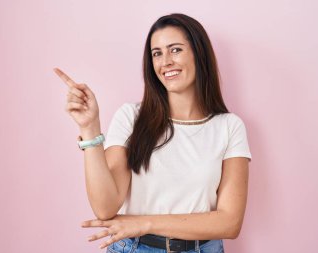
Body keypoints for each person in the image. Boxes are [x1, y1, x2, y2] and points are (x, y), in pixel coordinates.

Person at [54, 13, 252, 253]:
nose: (165, 61)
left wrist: (143, 223)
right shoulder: (131, 117)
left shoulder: (229, 127)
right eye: (157, 53)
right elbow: (105, 208)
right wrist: (89, 128)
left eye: (175, 50)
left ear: (199, 55)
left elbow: (229, 223)